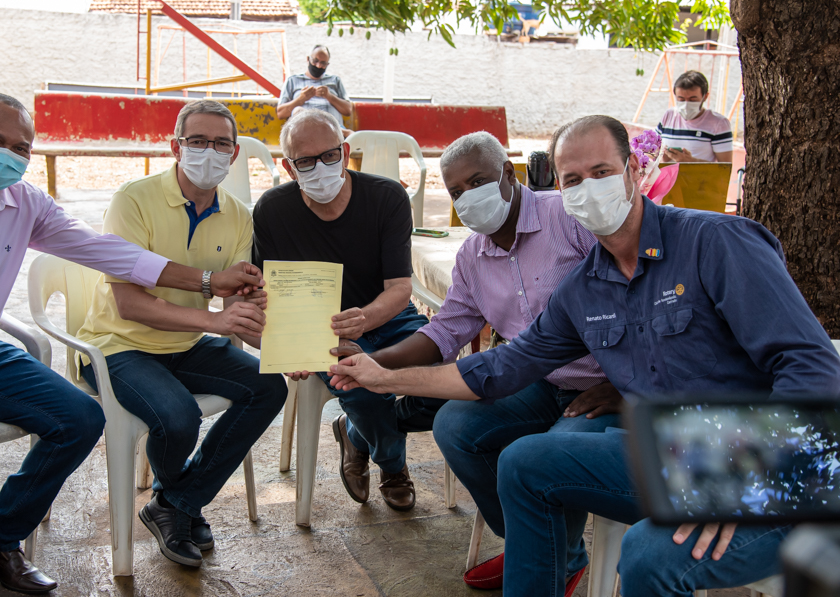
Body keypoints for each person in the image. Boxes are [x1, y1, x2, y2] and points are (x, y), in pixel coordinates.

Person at [327, 115, 840, 597]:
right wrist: (381, 375)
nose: (587, 189)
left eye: (601, 172)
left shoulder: (717, 243)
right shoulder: (584, 289)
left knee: (644, 555)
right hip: (673, 450)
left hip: (781, 462)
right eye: (572, 180)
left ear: (634, 171)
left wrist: (739, 478)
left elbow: (811, 366)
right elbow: (500, 368)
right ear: (560, 190)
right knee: (523, 461)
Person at [0, 93, 264, 597]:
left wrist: (206, 281)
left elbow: (109, 253)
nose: (7, 156)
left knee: (80, 419)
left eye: (21, 148)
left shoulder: (25, 203)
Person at [330, 131, 623, 593]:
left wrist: (624, 384)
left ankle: (549, 558)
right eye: (455, 191)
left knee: (547, 459)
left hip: (606, 388)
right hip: (538, 380)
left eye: (478, 181)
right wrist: (371, 364)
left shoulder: (567, 220)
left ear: (508, 173)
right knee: (456, 426)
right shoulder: (472, 255)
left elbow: (632, 297)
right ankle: (543, 548)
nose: (467, 197)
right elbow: (445, 331)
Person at [76, 99, 288, 568]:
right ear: (176, 146)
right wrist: (214, 320)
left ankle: (175, 503)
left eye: (220, 144)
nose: (209, 152)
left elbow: (234, 307)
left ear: (234, 154)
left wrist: (281, 345)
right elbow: (129, 303)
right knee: (178, 417)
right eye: (197, 141)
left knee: (269, 386)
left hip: (186, 344)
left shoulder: (237, 215)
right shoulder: (133, 199)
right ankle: (180, 503)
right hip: (116, 347)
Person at [252, 107, 443, 511]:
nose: (320, 167)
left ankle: (354, 435)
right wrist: (293, 344)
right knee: (363, 386)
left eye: (329, 155)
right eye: (306, 161)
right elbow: (270, 294)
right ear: (289, 167)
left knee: (440, 385)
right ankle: (393, 465)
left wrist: (367, 317)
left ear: (345, 150)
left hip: (388, 316)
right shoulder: (272, 209)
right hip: (320, 330)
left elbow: (399, 287)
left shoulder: (387, 197)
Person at [656, 70, 733, 163]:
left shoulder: (719, 123)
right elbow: (650, 152)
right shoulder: (668, 116)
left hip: (699, 177)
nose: (686, 105)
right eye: (681, 99)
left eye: (693, 100)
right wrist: (662, 158)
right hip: (667, 177)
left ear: (705, 97)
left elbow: (725, 168)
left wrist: (690, 161)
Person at [276, 45, 352, 128]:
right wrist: (301, 99)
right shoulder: (292, 80)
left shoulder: (335, 80)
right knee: (298, 110)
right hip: (304, 130)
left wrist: (329, 96)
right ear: (308, 59)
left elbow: (348, 110)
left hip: (333, 128)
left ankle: (337, 131)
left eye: (323, 63)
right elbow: (280, 113)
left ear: (327, 64)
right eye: (315, 61)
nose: (318, 66)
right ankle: (342, 132)